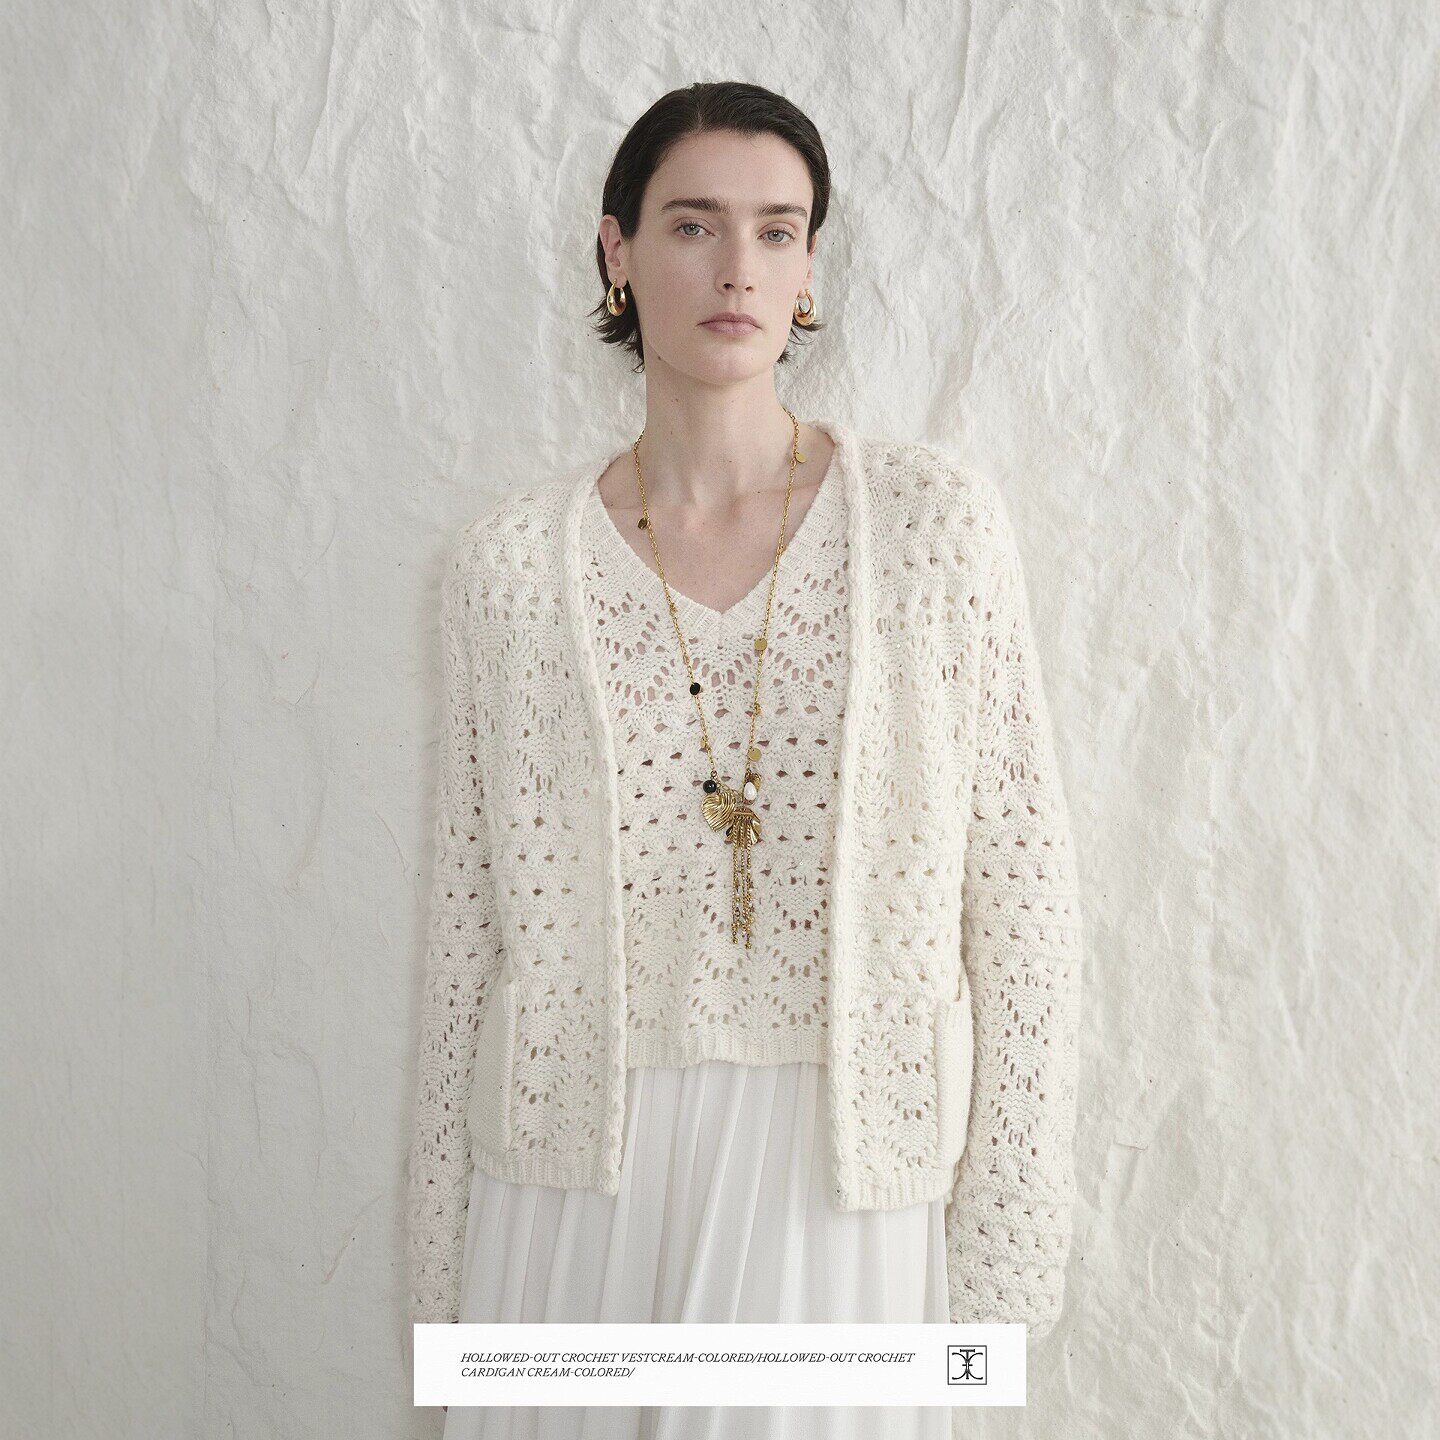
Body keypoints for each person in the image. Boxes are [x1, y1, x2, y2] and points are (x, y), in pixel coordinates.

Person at [407, 81, 1085, 1440]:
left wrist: (1005, 1252)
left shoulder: (934, 528)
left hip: (842, 1173)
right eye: (694, 224)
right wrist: (441, 1282)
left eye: (779, 231)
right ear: (617, 251)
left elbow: (1022, 898)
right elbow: (466, 930)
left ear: (811, 265)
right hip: (572, 1181)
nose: (739, 268)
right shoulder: (509, 567)